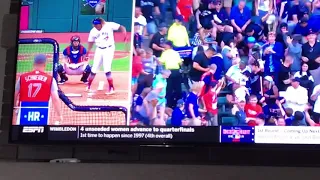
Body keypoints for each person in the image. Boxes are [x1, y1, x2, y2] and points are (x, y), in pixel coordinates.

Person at [14, 54, 62, 125]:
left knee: (22, 132)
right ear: (45, 65)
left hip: (24, 109)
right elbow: (55, 98)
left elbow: (14, 94)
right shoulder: (50, 79)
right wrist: (59, 115)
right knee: (41, 132)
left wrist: (15, 108)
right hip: (42, 110)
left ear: (33, 64)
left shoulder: (22, 77)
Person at [86, 17, 127, 94]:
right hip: (99, 49)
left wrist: (124, 35)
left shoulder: (109, 25)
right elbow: (91, 42)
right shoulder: (93, 31)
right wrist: (88, 52)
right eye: (94, 25)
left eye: (97, 25)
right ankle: (88, 86)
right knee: (94, 68)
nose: (96, 27)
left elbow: (122, 27)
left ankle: (111, 88)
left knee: (106, 68)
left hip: (109, 49)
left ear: (101, 24)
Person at [159, 41, 183, 108]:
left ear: (169, 46)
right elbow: (180, 63)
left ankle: (169, 104)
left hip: (169, 72)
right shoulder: (176, 53)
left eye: (165, 45)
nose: (164, 47)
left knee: (169, 88)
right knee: (178, 88)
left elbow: (160, 63)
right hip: (176, 71)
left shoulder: (165, 53)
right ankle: (179, 104)